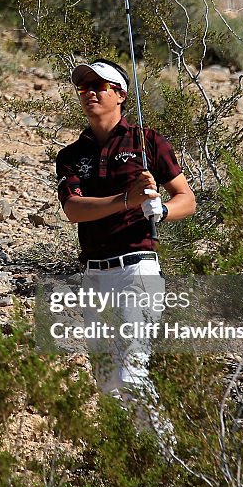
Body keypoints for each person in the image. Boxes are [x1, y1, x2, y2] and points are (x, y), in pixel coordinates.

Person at [56, 58, 196, 400]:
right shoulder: (71, 155)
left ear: (119, 94)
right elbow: (74, 209)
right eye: (83, 87)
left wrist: (161, 210)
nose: (89, 92)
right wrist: (127, 200)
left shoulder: (146, 142)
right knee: (107, 384)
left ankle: (165, 451)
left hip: (135, 268)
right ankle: (131, 452)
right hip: (93, 274)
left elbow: (186, 199)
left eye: (98, 86)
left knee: (130, 374)